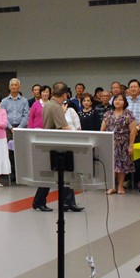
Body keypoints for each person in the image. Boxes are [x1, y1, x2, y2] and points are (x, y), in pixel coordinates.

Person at [32, 82, 83, 212]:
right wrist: (77, 135)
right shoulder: (56, 107)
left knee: (58, 173)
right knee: (61, 173)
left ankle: (65, 202)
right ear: (65, 94)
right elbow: (64, 126)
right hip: (57, 143)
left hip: (51, 142)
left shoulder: (48, 104)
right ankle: (44, 201)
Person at [101, 93, 137, 195]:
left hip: (123, 143)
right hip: (110, 143)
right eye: (116, 99)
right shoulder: (108, 114)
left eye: (120, 99)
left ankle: (120, 186)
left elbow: (133, 131)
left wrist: (131, 145)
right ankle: (112, 186)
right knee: (111, 165)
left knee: (122, 166)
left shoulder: (129, 114)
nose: (118, 101)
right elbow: (102, 129)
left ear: (124, 102)